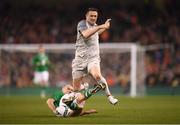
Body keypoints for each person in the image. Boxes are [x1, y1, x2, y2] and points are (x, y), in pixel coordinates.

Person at [72, 7, 118, 105]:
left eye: (95, 16)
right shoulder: (82, 24)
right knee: (76, 88)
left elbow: (96, 33)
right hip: (80, 59)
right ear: (86, 16)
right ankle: (82, 89)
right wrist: (101, 26)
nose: (93, 18)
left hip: (93, 58)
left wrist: (104, 28)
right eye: (91, 16)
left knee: (97, 75)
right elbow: (86, 34)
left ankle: (109, 96)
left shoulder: (95, 26)